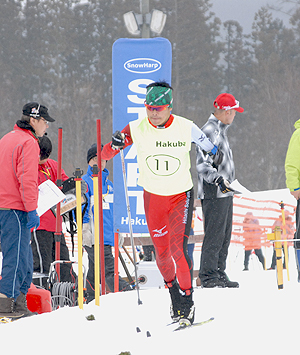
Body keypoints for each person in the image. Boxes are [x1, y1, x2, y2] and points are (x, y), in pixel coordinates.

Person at [101, 81, 222, 326]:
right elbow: (105, 155)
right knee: (162, 255)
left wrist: (211, 156)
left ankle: (188, 301)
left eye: (159, 108)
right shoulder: (136, 127)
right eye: (149, 108)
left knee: (178, 250)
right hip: (153, 198)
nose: (153, 113)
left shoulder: (186, 126)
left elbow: (213, 150)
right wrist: (113, 145)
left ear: (169, 107)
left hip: (180, 197)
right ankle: (174, 295)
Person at [0, 102, 54, 318]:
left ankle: (19, 302)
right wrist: (32, 209)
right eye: (44, 121)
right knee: (16, 256)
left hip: (5, 205)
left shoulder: (7, 138)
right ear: (33, 120)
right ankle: (7, 304)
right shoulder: (29, 143)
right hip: (16, 207)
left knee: (22, 257)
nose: (46, 126)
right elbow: (27, 180)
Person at [196, 93, 244, 288]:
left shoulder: (220, 130)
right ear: (227, 111)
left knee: (224, 234)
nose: (234, 116)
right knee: (214, 233)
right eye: (233, 112)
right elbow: (202, 164)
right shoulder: (210, 131)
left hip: (224, 190)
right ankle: (208, 275)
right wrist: (217, 179)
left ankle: (218, 271)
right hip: (214, 190)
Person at [82, 144, 132, 302]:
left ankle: (89, 296)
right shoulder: (85, 182)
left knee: (95, 269)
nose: (100, 162)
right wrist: (84, 230)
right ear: (89, 161)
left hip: (108, 235)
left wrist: (119, 231)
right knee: (109, 270)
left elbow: (114, 211)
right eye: (96, 159)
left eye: (103, 159)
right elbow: (82, 208)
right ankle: (127, 292)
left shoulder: (110, 185)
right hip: (93, 234)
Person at [30, 136, 77, 288]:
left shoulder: (52, 165)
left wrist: (72, 186)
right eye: (40, 157)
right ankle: (43, 296)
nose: (43, 160)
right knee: (43, 265)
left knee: (64, 263)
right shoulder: (28, 167)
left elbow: (65, 181)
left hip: (55, 226)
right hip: (38, 226)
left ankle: (69, 294)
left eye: (45, 157)